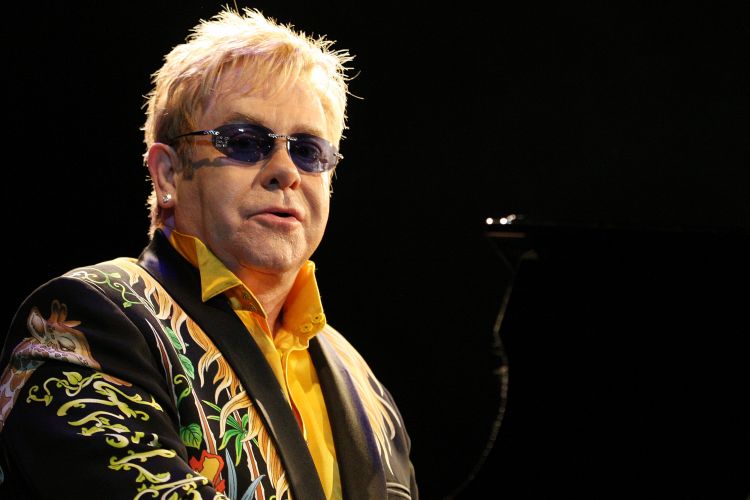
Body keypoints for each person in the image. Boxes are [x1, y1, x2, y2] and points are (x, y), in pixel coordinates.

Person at [0, 7, 417, 499]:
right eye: (244, 142)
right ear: (168, 174)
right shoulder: (84, 319)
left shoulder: (363, 383)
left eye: (307, 150)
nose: (285, 171)